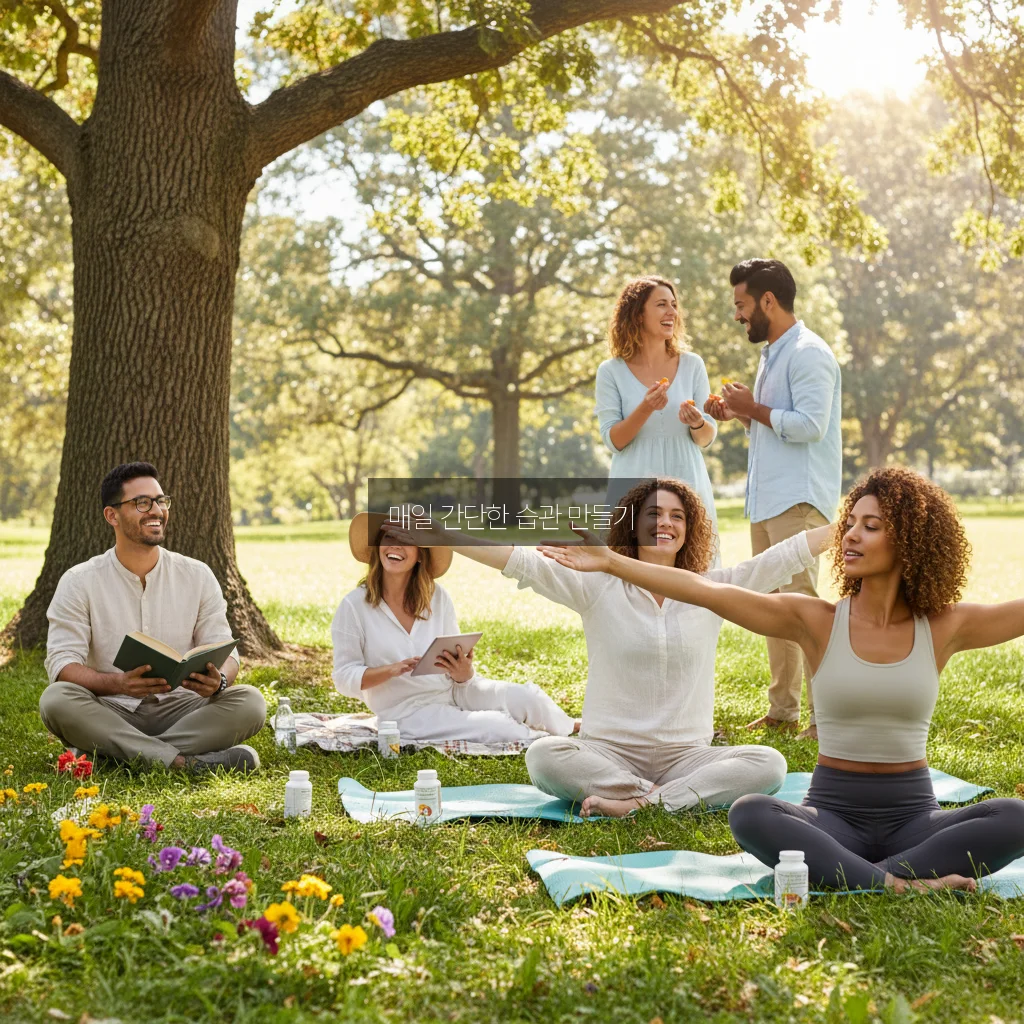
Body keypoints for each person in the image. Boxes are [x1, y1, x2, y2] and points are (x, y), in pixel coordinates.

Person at [541, 467, 1024, 890]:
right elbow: (703, 590)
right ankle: (901, 883)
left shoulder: (944, 626)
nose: (850, 535)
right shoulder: (814, 620)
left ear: (911, 540)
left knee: (1014, 817)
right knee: (751, 813)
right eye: (850, 523)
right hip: (831, 816)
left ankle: (861, 877)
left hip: (916, 817)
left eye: (870, 526)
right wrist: (610, 561)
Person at [390, 478, 833, 817]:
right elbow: (515, 558)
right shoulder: (597, 585)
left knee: (769, 763)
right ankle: (656, 798)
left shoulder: (712, 589)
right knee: (544, 755)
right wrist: (443, 534)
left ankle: (641, 803)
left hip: (688, 756)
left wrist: (850, 524)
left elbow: (787, 555)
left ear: (689, 530)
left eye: (677, 516)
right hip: (608, 753)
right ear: (633, 525)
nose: (665, 523)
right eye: (654, 514)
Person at [40, 462, 266, 772]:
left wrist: (219, 680)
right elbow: (63, 665)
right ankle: (183, 763)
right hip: (110, 708)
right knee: (56, 700)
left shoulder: (197, 575)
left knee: (250, 702)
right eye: (142, 503)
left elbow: (226, 649)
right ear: (112, 515)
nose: (156, 510)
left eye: (161, 501)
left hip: (184, 708)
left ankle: (114, 755)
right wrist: (119, 683)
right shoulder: (79, 581)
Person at [705, 258, 841, 740]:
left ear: (767, 300)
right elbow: (775, 427)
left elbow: (810, 426)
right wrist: (739, 415)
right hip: (766, 501)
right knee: (773, 607)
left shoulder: (809, 353)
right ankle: (783, 711)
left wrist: (754, 407)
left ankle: (826, 720)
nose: (738, 315)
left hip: (799, 500)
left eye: (741, 304)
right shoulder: (773, 355)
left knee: (802, 607)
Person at [330, 512, 576, 744]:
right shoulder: (354, 605)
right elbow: (343, 676)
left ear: (420, 554)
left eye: (407, 539)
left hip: (455, 691)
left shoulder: (437, 597)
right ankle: (548, 743)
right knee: (496, 726)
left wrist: (463, 672)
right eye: (389, 537)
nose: (395, 545)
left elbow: (456, 667)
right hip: (404, 712)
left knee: (526, 698)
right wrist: (390, 670)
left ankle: (571, 729)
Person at [595, 276, 719, 542]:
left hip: (687, 480)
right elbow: (613, 440)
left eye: (673, 305)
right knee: (633, 570)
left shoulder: (692, 364)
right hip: (633, 485)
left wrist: (697, 423)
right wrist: (646, 407)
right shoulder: (611, 372)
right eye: (662, 304)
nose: (672, 312)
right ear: (638, 314)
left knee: (691, 569)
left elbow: (707, 437)